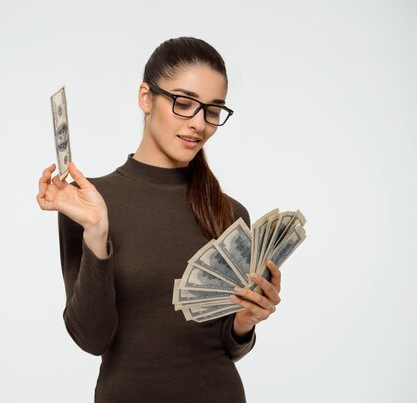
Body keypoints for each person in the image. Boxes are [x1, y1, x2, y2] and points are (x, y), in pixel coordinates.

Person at [36, 37, 282, 403]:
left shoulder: (230, 214)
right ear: (146, 98)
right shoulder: (88, 204)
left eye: (212, 111)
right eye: (184, 103)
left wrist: (246, 323)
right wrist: (97, 234)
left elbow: (227, 347)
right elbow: (92, 338)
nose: (199, 124)